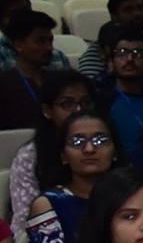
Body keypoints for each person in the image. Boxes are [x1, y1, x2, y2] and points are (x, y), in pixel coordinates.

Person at [25, 112, 119, 243]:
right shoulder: (48, 204)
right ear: (63, 156)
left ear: (115, 151)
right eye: (77, 142)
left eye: (100, 140)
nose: (90, 149)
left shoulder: (134, 196)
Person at [10, 71, 96, 227]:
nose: (79, 111)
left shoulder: (103, 146)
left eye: (86, 103)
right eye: (67, 104)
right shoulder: (30, 156)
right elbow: (25, 219)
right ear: (47, 111)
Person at [96, 25, 143, 155]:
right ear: (111, 62)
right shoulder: (100, 101)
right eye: (122, 53)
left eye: (138, 53)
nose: (130, 59)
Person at [0, 13, 64, 132]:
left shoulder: (58, 81)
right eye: (40, 41)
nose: (49, 47)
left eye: (50, 40)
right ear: (19, 45)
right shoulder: (3, 84)